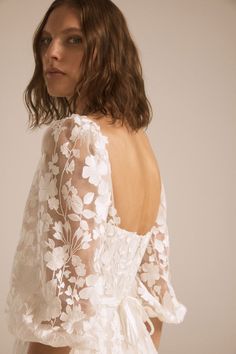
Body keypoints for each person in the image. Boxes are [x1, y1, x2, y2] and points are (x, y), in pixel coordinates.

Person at [5, 0, 187, 353]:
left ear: (107, 51)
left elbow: (66, 311)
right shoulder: (140, 142)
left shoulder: (75, 137)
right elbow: (155, 294)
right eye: (46, 40)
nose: (52, 53)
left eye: (73, 40)